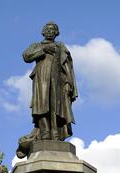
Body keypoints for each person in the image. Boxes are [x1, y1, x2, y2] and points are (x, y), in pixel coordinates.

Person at [16, 22, 78, 158]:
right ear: (43, 32)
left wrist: (69, 83)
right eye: (47, 29)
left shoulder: (61, 47)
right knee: (42, 105)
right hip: (42, 78)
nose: (50, 31)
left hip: (59, 81)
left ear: (57, 33)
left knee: (57, 107)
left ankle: (56, 134)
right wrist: (44, 50)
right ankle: (45, 133)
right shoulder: (37, 45)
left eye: (53, 30)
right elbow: (26, 56)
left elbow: (68, 67)